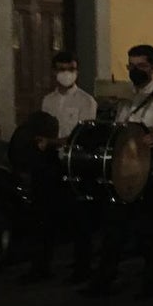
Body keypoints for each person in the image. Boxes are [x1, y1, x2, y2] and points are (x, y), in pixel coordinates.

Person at [82, 44, 153, 298]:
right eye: (131, 65)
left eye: (141, 66)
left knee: (150, 234)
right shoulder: (127, 97)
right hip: (126, 172)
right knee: (113, 230)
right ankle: (103, 281)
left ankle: (151, 284)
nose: (135, 70)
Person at [21, 50, 98, 283]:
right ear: (55, 72)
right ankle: (40, 267)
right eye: (62, 69)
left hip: (74, 163)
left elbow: (82, 135)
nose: (67, 74)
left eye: (71, 69)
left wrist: (53, 142)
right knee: (43, 217)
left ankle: (82, 269)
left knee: (78, 218)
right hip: (49, 163)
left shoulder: (86, 101)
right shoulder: (48, 100)